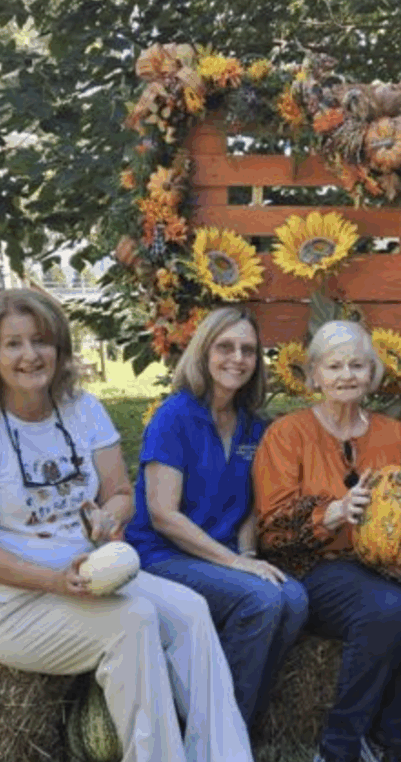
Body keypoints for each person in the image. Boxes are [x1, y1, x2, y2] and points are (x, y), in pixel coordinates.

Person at [0, 289, 284, 762]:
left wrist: (108, 519)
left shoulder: (83, 410)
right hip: (8, 602)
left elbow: (122, 492)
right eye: (13, 344)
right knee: (133, 620)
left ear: (60, 349)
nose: (30, 356)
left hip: (90, 579)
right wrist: (53, 578)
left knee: (188, 609)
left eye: (41, 341)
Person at [253, 320, 401, 762]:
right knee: (386, 609)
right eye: (334, 365)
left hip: (390, 561)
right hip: (315, 565)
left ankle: (391, 736)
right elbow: (272, 530)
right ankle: (337, 751)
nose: (347, 374)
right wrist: (335, 512)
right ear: (315, 376)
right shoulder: (287, 434)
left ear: (373, 375)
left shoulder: (397, 436)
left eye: (357, 365)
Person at [124, 306, 308, 735]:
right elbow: (163, 515)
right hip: (162, 555)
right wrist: (235, 565)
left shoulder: (252, 428)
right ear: (204, 352)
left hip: (221, 555)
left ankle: (235, 721)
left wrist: (246, 553)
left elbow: (249, 509)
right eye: (226, 347)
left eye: (248, 350)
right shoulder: (174, 417)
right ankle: (221, 737)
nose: (237, 358)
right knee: (260, 599)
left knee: (295, 600)